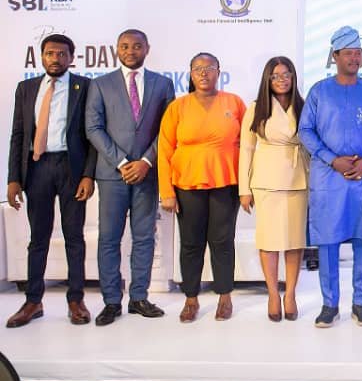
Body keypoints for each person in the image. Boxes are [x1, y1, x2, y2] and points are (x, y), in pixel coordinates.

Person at [85, 28, 175, 326]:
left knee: (144, 237)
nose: (130, 51)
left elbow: (167, 129)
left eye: (137, 46)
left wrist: (146, 161)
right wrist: (123, 162)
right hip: (113, 175)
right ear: (117, 49)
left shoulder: (163, 84)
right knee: (109, 239)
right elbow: (93, 128)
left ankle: (139, 298)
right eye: (124, 46)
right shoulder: (100, 85)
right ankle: (111, 301)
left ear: (147, 49)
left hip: (147, 175)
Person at [5, 34, 96, 328]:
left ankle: (76, 300)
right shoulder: (27, 88)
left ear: (71, 57)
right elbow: (18, 134)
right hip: (37, 168)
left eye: (61, 54)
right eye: (50, 53)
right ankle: (33, 301)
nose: (55, 59)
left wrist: (88, 175)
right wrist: (13, 179)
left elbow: (92, 135)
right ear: (41, 56)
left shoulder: (85, 86)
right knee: (38, 239)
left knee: (74, 238)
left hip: (71, 168)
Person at [299, 26, 362, 329]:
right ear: (334, 56)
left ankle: (361, 303)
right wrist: (331, 159)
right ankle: (329, 304)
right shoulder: (319, 91)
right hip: (328, 178)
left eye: (358, 53)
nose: (354, 58)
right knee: (328, 242)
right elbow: (305, 130)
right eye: (348, 53)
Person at [158, 52, 246, 323]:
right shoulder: (178, 107)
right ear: (191, 74)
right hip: (187, 184)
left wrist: (248, 186)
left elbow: (248, 145)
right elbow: (164, 150)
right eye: (198, 69)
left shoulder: (234, 103)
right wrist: (167, 192)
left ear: (219, 71)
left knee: (222, 241)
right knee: (191, 243)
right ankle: (191, 298)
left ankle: (225, 296)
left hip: (226, 182)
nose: (204, 73)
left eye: (209, 68)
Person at [238, 56, 309, 323]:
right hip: (266, 180)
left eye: (286, 74)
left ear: (293, 77)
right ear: (267, 79)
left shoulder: (303, 105)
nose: (282, 80)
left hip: (298, 179)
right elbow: (246, 149)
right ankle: (272, 294)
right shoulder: (256, 108)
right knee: (269, 241)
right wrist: (244, 189)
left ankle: (290, 294)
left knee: (294, 241)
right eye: (276, 75)